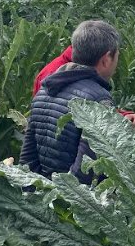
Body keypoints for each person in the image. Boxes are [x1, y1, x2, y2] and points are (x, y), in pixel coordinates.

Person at [21, 20, 125, 180]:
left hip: (44, 197)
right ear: (106, 59)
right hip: (74, 201)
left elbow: (27, 160)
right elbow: (87, 170)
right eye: (117, 55)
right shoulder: (98, 100)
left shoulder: (43, 91)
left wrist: (36, 197)